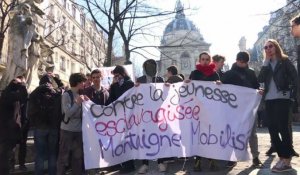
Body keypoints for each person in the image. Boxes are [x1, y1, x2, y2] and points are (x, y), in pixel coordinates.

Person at [258, 39, 298, 173]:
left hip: (283, 98)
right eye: (265, 47)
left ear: (276, 47)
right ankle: (283, 157)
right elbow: (260, 79)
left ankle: (286, 160)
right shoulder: (267, 64)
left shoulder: (284, 61)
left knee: (283, 128)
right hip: (269, 100)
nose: (268, 49)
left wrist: (293, 96)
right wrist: (265, 62)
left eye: (270, 46)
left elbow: (295, 78)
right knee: (272, 129)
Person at [221, 51, 264, 168]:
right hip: (233, 109)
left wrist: (259, 90)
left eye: (244, 62)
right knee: (233, 132)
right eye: (240, 61)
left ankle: (255, 157)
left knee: (252, 132)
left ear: (247, 62)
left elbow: (256, 86)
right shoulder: (229, 74)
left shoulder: (251, 73)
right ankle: (232, 157)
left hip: (248, 107)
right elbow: (221, 88)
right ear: (236, 60)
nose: (242, 64)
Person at [189, 52, 219, 172]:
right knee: (198, 135)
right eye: (203, 59)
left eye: (207, 59)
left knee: (210, 134)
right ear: (199, 60)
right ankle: (198, 160)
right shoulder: (195, 73)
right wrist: (187, 83)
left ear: (210, 60)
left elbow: (220, 91)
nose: (205, 61)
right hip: (198, 109)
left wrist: (219, 85)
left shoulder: (214, 73)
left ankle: (212, 159)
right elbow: (190, 88)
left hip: (211, 109)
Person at [27, 74, 63, 175]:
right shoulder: (56, 93)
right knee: (52, 154)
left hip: (40, 127)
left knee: (40, 154)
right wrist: (57, 78)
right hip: (53, 127)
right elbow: (63, 87)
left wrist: (35, 123)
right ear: (51, 83)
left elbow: (30, 112)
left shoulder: (35, 93)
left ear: (40, 83)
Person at [136, 59, 165, 174]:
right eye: (148, 66)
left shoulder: (160, 79)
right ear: (144, 68)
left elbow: (164, 94)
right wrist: (135, 87)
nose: (151, 68)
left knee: (159, 138)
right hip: (144, 114)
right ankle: (145, 164)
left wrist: (166, 86)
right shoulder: (140, 80)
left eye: (153, 66)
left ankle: (161, 162)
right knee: (145, 139)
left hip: (158, 114)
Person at [57, 73, 89, 175]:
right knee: (63, 157)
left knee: (78, 158)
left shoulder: (80, 95)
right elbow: (68, 113)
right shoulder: (66, 95)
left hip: (78, 131)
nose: (84, 84)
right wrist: (77, 103)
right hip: (67, 130)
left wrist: (87, 104)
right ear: (78, 82)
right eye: (83, 82)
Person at [106, 65, 135, 174]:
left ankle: (129, 165)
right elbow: (111, 100)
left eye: (117, 75)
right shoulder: (115, 85)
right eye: (115, 76)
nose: (116, 77)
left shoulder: (129, 83)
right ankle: (119, 163)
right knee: (119, 141)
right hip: (118, 117)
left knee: (127, 140)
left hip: (128, 116)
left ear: (122, 74)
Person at [0, 78, 28, 174]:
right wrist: (23, 85)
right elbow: (24, 95)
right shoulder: (10, 95)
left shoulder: (7, 93)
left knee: (6, 153)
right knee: (5, 155)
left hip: (8, 129)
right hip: (8, 130)